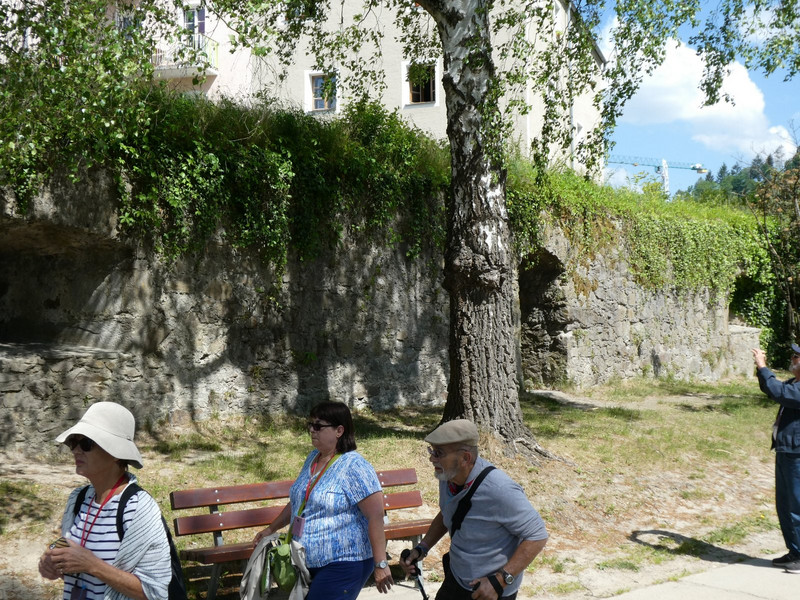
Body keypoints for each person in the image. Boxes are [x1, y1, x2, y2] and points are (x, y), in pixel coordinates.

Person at [253, 401, 394, 598]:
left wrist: (381, 564)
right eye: (310, 425)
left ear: (339, 430)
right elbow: (300, 501)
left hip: (345, 562)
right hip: (306, 560)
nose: (312, 430)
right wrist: (271, 529)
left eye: (318, 426)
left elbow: (376, 516)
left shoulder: (355, 466)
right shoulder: (313, 458)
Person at [38, 402, 172, 600]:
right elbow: (71, 548)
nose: (76, 451)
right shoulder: (78, 498)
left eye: (86, 444)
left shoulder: (138, 507)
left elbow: (154, 592)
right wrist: (51, 560)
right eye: (73, 443)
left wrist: (93, 565)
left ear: (116, 454)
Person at [401, 419, 548, 600]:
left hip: (490, 591)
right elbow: (449, 513)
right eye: (431, 451)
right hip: (456, 580)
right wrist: (422, 548)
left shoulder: (499, 489)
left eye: (439, 453)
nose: (432, 458)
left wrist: (501, 580)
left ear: (465, 458)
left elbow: (537, 535)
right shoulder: (448, 476)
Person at [753, 344, 800, 574]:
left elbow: (778, 392)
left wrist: (763, 366)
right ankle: (794, 552)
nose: (792, 359)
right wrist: (760, 369)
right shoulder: (794, 384)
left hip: (797, 455)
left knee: (796, 505)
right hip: (786, 451)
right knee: (784, 505)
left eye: (796, 356)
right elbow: (772, 389)